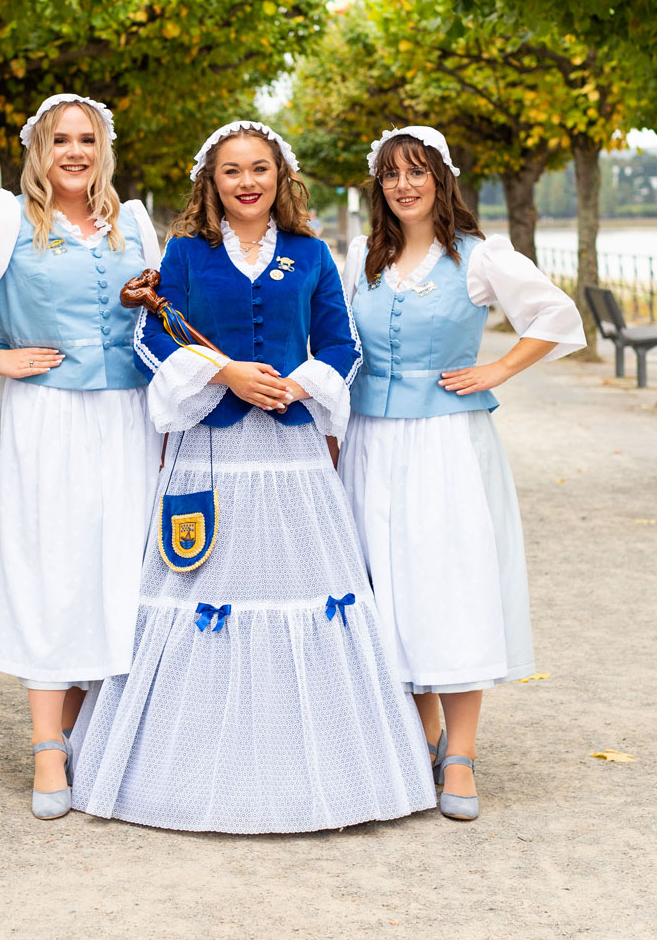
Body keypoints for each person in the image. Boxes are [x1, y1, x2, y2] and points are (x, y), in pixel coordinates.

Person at [68, 120, 436, 833]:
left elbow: (339, 341)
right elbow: (153, 333)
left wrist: (298, 385)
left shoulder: (311, 254)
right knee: (206, 588)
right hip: (212, 449)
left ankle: (314, 768)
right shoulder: (183, 253)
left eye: (259, 169)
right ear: (212, 179)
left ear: (280, 177)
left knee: (295, 591)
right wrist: (224, 371)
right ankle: (188, 768)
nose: (246, 182)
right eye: (232, 170)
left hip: (291, 457)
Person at [0, 94, 162, 820]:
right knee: (52, 566)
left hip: (127, 417)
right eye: (60, 141)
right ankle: (48, 746)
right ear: (38, 151)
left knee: (116, 566)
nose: (75, 152)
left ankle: (91, 732)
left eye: (87, 139)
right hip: (46, 416)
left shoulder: (134, 222)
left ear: (104, 148)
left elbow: (168, 310)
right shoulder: (4, 217)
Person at [338, 126, 586, 820]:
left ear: (441, 179)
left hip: (446, 440)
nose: (404, 186)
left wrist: (497, 368)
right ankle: (419, 735)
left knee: (449, 585)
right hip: (371, 442)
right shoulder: (363, 254)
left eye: (417, 172)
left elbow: (556, 316)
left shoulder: (479, 257)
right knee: (388, 587)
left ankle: (462, 753)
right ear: (378, 186)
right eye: (391, 175)